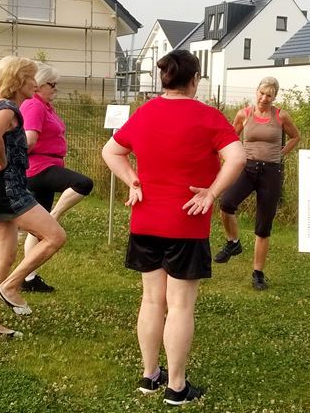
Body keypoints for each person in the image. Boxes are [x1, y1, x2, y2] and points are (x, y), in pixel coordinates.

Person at [101, 50, 245, 406]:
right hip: (187, 223)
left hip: (146, 219)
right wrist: (212, 192)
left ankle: (150, 375)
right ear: (194, 80)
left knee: (151, 299)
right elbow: (238, 156)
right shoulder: (208, 116)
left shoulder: (144, 112)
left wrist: (132, 181)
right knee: (180, 306)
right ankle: (176, 387)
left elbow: (111, 152)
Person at [0, 56, 67, 338]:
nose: (34, 83)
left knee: (5, 255)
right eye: (30, 78)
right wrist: (1, 163)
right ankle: (11, 286)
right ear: (17, 81)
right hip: (9, 189)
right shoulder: (9, 108)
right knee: (55, 236)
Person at [212, 77, 300, 290]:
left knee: (263, 225)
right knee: (226, 203)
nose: (264, 98)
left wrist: (281, 154)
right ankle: (233, 243)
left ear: (274, 97)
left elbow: (295, 137)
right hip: (247, 168)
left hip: (271, 172)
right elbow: (232, 138)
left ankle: (258, 273)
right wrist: (231, 156)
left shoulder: (281, 116)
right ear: (256, 92)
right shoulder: (245, 114)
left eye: (269, 95)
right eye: (261, 93)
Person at [20, 64, 93, 293]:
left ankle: (27, 278)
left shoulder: (46, 107)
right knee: (83, 183)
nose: (55, 89)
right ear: (39, 85)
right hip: (39, 169)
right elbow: (29, 140)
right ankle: (54, 216)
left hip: (47, 165)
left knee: (37, 230)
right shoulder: (34, 106)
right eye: (52, 85)